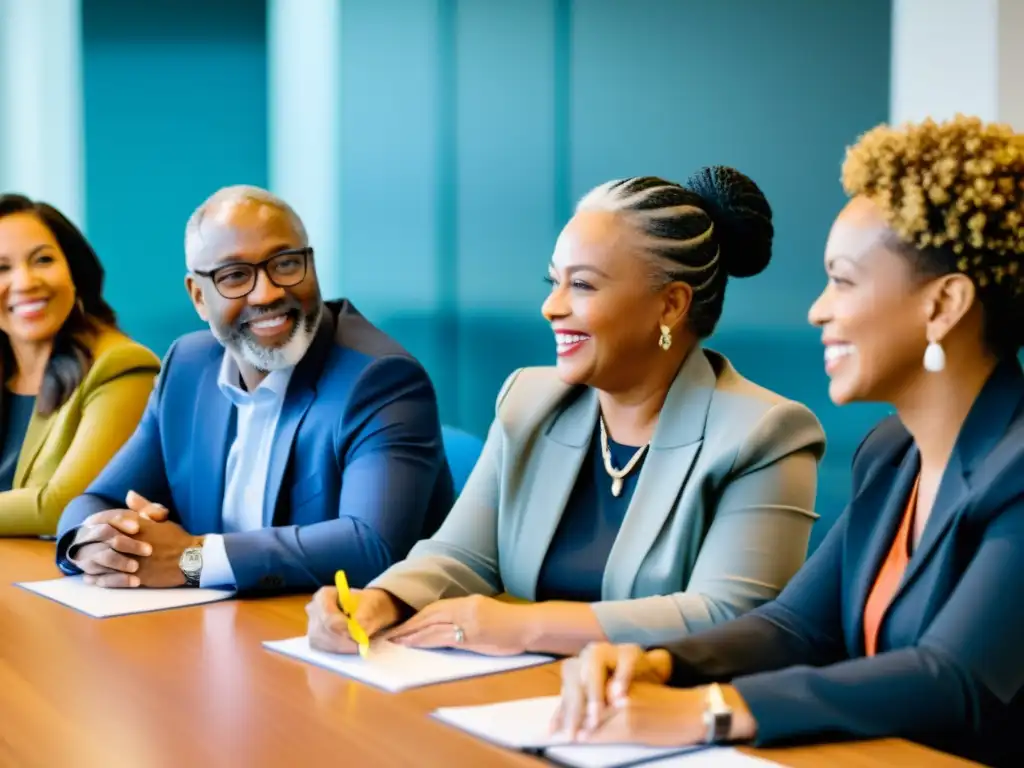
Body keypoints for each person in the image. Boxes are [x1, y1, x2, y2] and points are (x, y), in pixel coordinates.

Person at [553, 116, 1024, 767]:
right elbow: (798, 626)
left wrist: (708, 713)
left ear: (942, 305)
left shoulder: (1018, 470)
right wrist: (659, 663)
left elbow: (954, 678)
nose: (818, 310)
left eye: (844, 280)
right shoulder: (892, 454)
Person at [305, 167, 826, 657]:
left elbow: (732, 616)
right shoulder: (529, 400)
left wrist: (522, 626)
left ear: (670, 305)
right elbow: (463, 554)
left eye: (582, 285)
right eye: (553, 281)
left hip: (663, 712)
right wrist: (380, 601)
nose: (551, 307)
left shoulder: (765, 434)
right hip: (522, 702)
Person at [54, 185, 454, 593]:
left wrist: (192, 560)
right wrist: (94, 545)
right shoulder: (188, 367)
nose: (267, 293)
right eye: (235, 276)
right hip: (216, 626)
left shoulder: (380, 378)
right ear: (199, 297)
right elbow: (98, 499)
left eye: (285, 264)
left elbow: (373, 546)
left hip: (331, 633)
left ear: (310, 264)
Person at [0, 194, 159, 537]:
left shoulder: (122, 366)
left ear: (74, 270)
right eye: (2, 269)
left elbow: (65, 505)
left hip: (53, 581)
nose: (25, 282)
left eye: (42, 260)